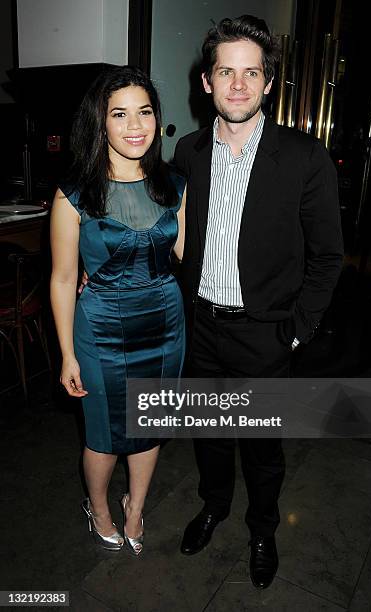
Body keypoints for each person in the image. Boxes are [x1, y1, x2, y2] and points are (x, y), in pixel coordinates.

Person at [174, 15, 343, 588]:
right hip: (202, 327)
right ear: (207, 81)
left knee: (262, 446)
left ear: (268, 83)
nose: (239, 85)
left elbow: (327, 257)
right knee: (212, 436)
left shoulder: (303, 156)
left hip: (265, 333)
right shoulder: (189, 153)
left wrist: (296, 330)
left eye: (252, 73)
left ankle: (262, 528)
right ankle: (214, 506)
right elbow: (171, 235)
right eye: (227, 72)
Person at [50, 65, 186, 555]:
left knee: (148, 428)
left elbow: (184, 255)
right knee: (104, 435)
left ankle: (135, 508)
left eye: (145, 112)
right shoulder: (74, 194)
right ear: (101, 123)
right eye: (120, 114)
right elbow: (64, 278)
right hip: (101, 331)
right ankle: (100, 507)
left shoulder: (175, 185)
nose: (135, 125)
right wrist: (67, 354)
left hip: (166, 327)